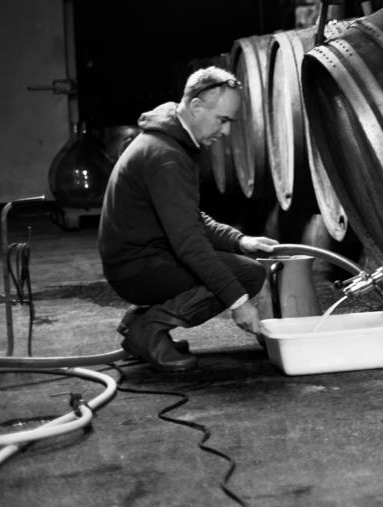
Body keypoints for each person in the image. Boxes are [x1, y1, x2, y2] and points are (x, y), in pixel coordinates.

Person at [98, 66, 278, 372]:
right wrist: (238, 302)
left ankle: (138, 323)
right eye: (222, 120)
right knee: (247, 276)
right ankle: (149, 329)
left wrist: (239, 240)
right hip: (136, 269)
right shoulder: (166, 156)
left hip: (140, 259)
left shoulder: (173, 142)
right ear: (196, 107)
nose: (226, 132)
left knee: (238, 263)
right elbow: (189, 243)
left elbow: (190, 218)